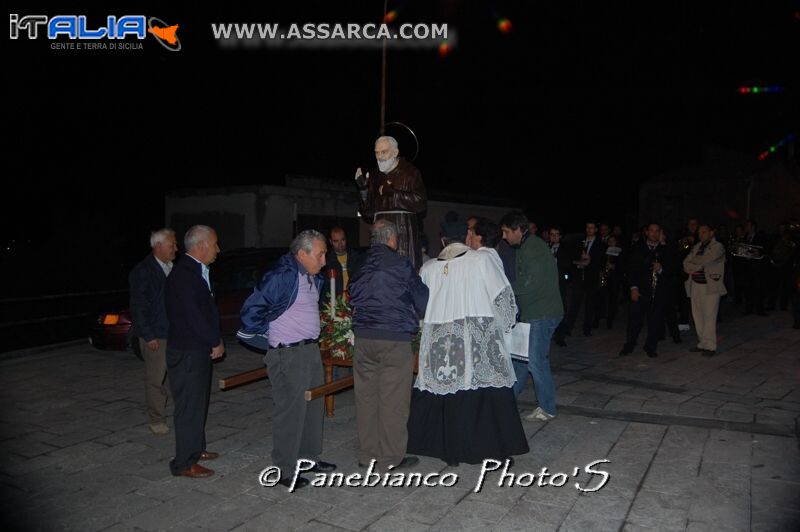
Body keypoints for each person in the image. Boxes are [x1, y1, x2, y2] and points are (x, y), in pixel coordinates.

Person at [408, 219, 529, 466]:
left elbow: (418, 308)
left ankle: (447, 450)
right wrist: (503, 330)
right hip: (476, 341)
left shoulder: (428, 268)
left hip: (441, 343)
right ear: (465, 236)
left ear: (442, 240)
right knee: (479, 394)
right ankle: (483, 449)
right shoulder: (481, 260)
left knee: (445, 391)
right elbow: (503, 298)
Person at [237, 230, 337, 489]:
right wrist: (271, 344)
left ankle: (308, 458)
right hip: (288, 354)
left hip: (310, 351)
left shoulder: (313, 277)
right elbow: (250, 314)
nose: (325, 260)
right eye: (320, 254)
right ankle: (284, 469)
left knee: (314, 407)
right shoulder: (282, 276)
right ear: (302, 254)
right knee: (290, 412)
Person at [349, 219, 428, 471]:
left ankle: (367, 455)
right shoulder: (401, 264)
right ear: (392, 239)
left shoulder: (359, 262)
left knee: (367, 398)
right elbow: (422, 300)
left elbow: (352, 293)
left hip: (363, 338)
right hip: (393, 339)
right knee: (393, 399)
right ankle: (390, 458)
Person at [164, 225, 225, 478]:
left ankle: (196, 448)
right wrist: (215, 340)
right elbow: (194, 316)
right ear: (200, 246)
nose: (218, 250)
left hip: (195, 349)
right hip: (188, 351)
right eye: (215, 244)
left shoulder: (197, 271)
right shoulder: (184, 276)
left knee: (199, 402)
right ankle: (183, 463)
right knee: (189, 406)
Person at [500, 211, 564, 422]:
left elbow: (530, 283)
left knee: (536, 362)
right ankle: (507, 402)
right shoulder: (526, 247)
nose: (504, 236)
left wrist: (504, 289)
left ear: (519, 230)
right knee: (520, 360)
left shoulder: (533, 248)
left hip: (543, 314)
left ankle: (548, 408)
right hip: (533, 313)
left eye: (507, 232)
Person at [129, 228, 177, 435]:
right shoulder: (143, 271)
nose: (176, 248)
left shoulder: (173, 267)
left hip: (175, 332)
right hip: (156, 334)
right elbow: (138, 306)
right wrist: (147, 335)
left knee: (177, 376)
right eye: (172, 244)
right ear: (158, 246)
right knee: (155, 379)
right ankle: (156, 418)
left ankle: (178, 413)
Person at [355, 136, 427, 269]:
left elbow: (421, 203)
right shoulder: (374, 176)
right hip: (380, 238)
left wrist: (394, 193)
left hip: (403, 235)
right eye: (377, 153)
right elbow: (368, 214)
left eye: (384, 152)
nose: (380, 157)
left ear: (395, 152)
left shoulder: (410, 173)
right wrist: (364, 190)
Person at [619, 223, 675, 358]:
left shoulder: (666, 250)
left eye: (657, 231)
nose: (654, 233)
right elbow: (631, 270)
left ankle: (651, 346)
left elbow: (673, 270)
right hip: (640, 291)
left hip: (657, 293)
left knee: (655, 322)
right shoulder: (637, 248)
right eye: (651, 231)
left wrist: (661, 269)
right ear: (647, 232)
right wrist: (633, 288)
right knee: (634, 321)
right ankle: (629, 345)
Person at [683, 223, 727, 356]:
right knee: (697, 315)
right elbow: (685, 262)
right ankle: (702, 342)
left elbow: (707, 260)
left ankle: (710, 346)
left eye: (704, 232)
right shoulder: (697, 246)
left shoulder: (718, 247)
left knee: (709, 316)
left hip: (711, 286)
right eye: (699, 232)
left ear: (711, 233)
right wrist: (693, 265)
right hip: (696, 284)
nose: (701, 234)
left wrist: (694, 265)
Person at [323, 226, 363, 297]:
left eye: (342, 240)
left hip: (354, 300)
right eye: (336, 241)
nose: (340, 244)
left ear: (346, 239)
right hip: (334, 303)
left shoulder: (356, 257)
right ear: (331, 242)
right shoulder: (326, 261)